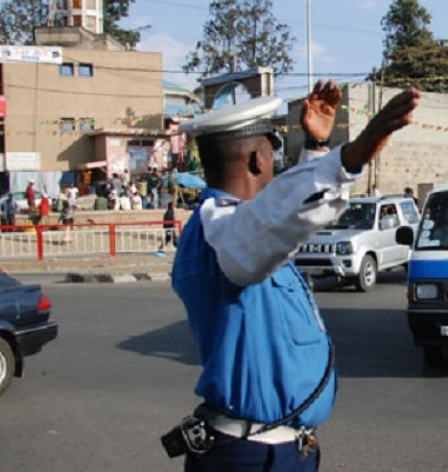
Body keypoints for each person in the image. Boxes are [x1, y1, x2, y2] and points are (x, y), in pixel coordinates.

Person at [169, 80, 418, 471]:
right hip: (251, 456)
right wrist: (350, 155)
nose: (275, 163)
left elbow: (280, 220)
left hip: (283, 450)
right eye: (274, 152)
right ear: (257, 160)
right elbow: (272, 219)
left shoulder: (236, 225)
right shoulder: (216, 229)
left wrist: (317, 150)